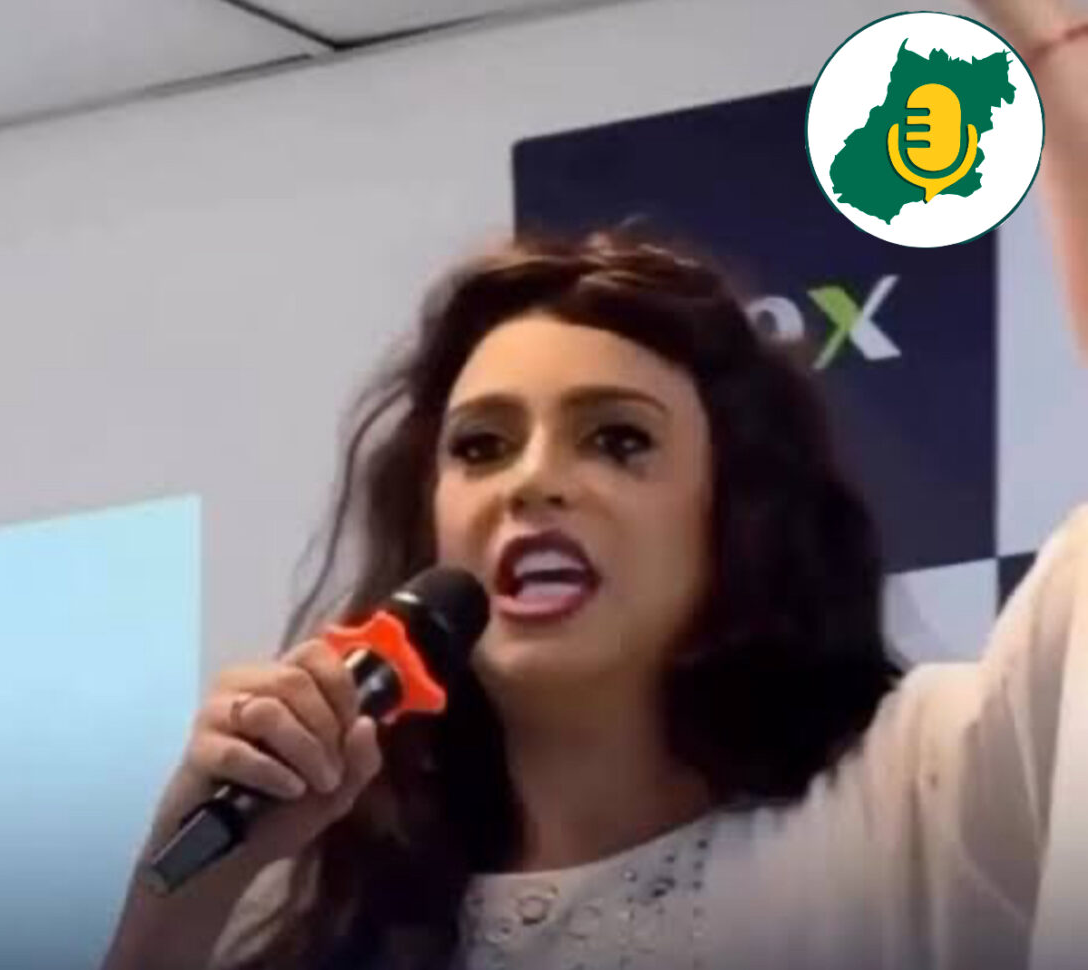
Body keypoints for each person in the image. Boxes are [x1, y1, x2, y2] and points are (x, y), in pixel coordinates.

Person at [100, 1, 1088, 967]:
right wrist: (181, 894)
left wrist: (1052, 49)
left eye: (617, 440)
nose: (533, 483)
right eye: (481, 447)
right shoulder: (339, 911)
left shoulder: (931, 786)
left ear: (735, 513)